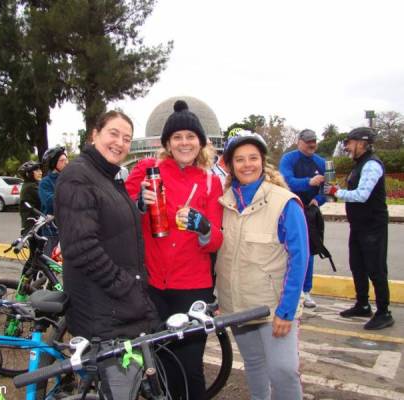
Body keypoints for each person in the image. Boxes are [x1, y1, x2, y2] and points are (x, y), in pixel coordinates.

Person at [54, 111, 159, 399]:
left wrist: (137, 208)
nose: (120, 143)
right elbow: (81, 247)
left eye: (127, 138)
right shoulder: (78, 177)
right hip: (105, 311)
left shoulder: (109, 177)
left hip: (120, 307)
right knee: (120, 390)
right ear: (95, 134)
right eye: (113, 133)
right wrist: (124, 285)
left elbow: (115, 230)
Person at [125, 99, 223, 400]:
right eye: (177, 137)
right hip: (153, 285)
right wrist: (139, 205)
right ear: (167, 142)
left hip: (193, 287)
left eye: (190, 137)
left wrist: (204, 227)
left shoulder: (210, 182)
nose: (184, 142)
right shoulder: (146, 169)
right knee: (161, 362)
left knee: (191, 366)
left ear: (201, 142)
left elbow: (218, 240)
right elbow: (120, 215)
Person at [216, 131, 308, 400]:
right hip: (238, 309)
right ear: (230, 165)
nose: (247, 165)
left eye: (253, 158)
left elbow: (299, 258)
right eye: (240, 159)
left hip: (273, 309)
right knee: (254, 366)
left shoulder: (284, 202)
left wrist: (286, 311)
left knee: (284, 371)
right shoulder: (224, 203)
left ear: (262, 161)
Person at [324, 127, 394, 330]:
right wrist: (339, 190)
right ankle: (362, 304)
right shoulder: (359, 164)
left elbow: (362, 195)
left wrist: (338, 191)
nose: (347, 146)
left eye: (350, 142)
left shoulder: (371, 164)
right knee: (358, 265)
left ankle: (384, 312)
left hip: (373, 225)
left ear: (362, 143)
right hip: (359, 225)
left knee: (376, 269)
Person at [279, 128, 326, 308]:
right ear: (299, 142)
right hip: (290, 209)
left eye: (314, 141)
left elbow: (328, 187)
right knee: (288, 249)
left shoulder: (321, 162)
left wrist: (319, 199)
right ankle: (290, 287)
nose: (311, 145)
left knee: (310, 250)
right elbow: (285, 180)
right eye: (308, 142)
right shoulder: (289, 159)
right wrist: (308, 182)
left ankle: (306, 291)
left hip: (310, 211)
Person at [39, 145, 68, 256]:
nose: (66, 163)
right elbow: (50, 203)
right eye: (62, 160)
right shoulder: (45, 183)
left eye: (66, 160)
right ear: (53, 163)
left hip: (69, 229)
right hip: (51, 231)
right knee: (50, 264)